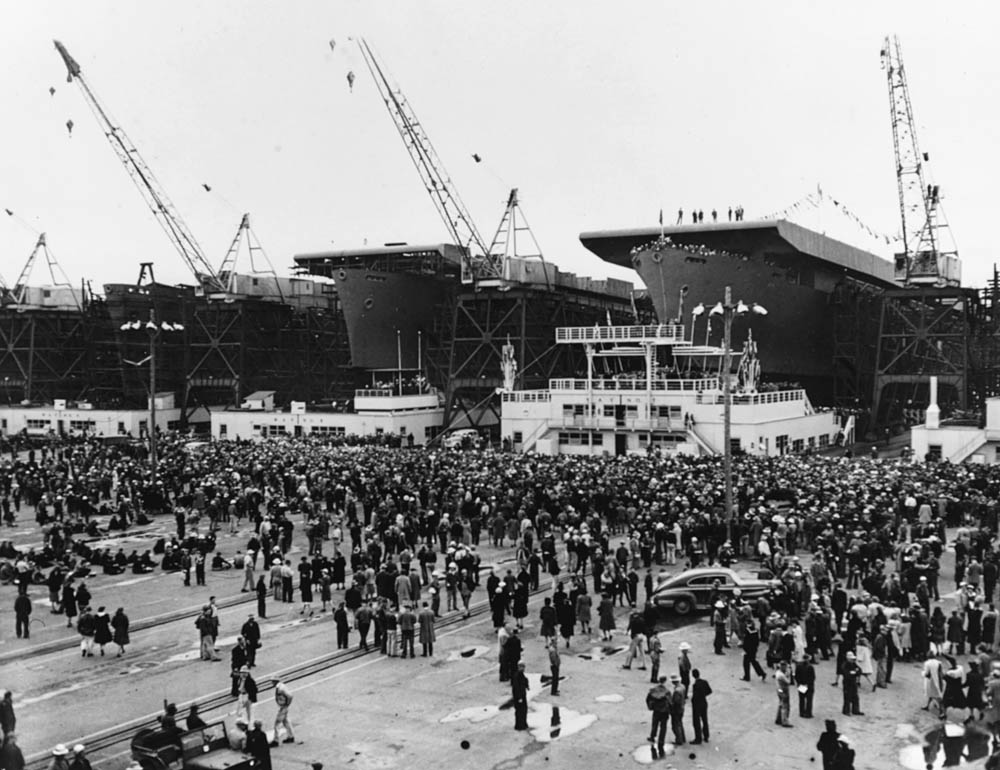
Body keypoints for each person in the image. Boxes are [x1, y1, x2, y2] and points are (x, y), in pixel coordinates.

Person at [645, 676, 670, 756]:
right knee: (663, 727)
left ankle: (652, 736)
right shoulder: (667, 691)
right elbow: (670, 702)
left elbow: (648, 699)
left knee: (654, 724)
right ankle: (661, 740)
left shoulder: (653, 690)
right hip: (664, 711)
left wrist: (650, 706)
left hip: (656, 710)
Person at [690, 668, 712, 744]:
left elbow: (695, 696)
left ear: (693, 676)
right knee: (705, 720)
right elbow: (710, 691)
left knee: (696, 722)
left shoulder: (695, 685)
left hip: (697, 705)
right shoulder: (704, 682)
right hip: (704, 702)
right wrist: (703, 695)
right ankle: (706, 736)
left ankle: (698, 738)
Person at [270, 681, 295, 747]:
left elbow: (290, 696)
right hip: (284, 707)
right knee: (286, 722)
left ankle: (276, 740)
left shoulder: (280, 688)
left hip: (283, 708)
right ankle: (291, 736)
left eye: (272, 681)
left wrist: (287, 704)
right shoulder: (280, 686)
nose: (271, 683)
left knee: (277, 724)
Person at [796, 654, 816, 718]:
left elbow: (796, 676)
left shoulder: (798, 666)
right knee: (809, 700)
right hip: (809, 685)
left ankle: (801, 712)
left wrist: (799, 683)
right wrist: (808, 683)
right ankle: (808, 713)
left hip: (801, 685)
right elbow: (813, 677)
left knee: (801, 699)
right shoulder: (810, 667)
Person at [668, 674, 686, 746]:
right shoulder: (682, 687)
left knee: (675, 725)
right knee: (680, 723)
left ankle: (679, 739)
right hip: (681, 708)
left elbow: (675, 702)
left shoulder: (676, 691)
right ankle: (682, 737)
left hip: (676, 710)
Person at [511, 661, 530, 731]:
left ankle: (523, 724)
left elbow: (524, 681)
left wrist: (527, 685)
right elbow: (516, 687)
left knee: (523, 710)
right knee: (520, 711)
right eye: (522, 667)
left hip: (522, 695)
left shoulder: (520, 674)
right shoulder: (517, 675)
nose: (523, 668)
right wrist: (519, 697)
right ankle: (519, 725)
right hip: (519, 696)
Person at [775, 660, 792, 727]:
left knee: (781, 704)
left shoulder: (777, 672)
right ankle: (784, 721)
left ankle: (778, 719)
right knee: (785, 706)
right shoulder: (781, 675)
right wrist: (789, 674)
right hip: (783, 690)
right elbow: (788, 682)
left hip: (779, 690)